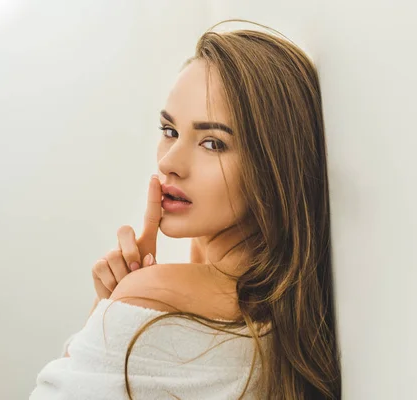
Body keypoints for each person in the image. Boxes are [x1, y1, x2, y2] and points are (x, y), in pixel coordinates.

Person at [30, 19, 341, 400]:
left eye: (213, 143)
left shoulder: (153, 296)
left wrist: (113, 306)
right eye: (170, 132)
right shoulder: (287, 313)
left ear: (273, 163)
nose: (170, 163)